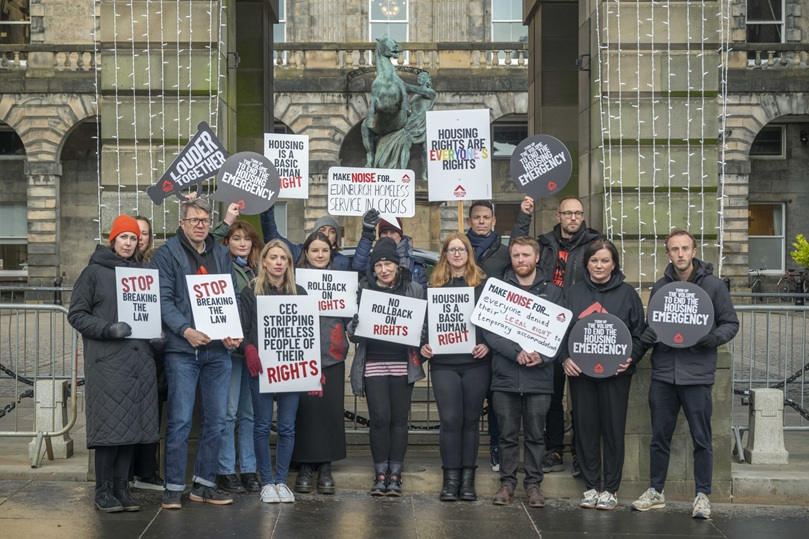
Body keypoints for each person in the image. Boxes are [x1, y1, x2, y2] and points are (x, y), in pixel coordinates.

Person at [631, 229, 739, 520]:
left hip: (697, 374)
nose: (680, 254)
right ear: (668, 253)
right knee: (659, 438)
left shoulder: (714, 286)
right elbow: (652, 324)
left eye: (685, 248)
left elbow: (731, 323)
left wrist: (712, 337)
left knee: (702, 438)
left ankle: (702, 495)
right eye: (674, 249)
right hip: (665, 374)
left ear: (694, 251)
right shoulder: (660, 287)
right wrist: (650, 334)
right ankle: (656, 491)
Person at [150, 197, 242, 509]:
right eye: (194, 220)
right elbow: (162, 300)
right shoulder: (166, 254)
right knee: (179, 421)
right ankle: (173, 487)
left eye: (204, 220)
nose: (200, 225)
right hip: (182, 350)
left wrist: (232, 331)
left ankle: (204, 484)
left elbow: (228, 295)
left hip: (217, 351)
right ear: (182, 223)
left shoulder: (220, 253)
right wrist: (185, 329)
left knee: (216, 420)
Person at [68, 215, 159, 512]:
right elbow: (77, 315)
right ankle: (102, 490)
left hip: (138, 363)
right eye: (123, 238)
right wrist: (108, 329)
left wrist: (156, 333)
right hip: (108, 362)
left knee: (130, 428)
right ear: (113, 240)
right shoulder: (93, 273)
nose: (128, 243)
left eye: (133, 238)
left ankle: (122, 488)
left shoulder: (141, 273)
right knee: (109, 431)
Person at [562, 238, 646, 510]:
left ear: (614, 263)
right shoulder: (573, 293)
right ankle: (590, 487)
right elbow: (559, 332)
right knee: (585, 429)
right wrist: (565, 359)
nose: (599, 265)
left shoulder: (628, 294)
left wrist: (632, 357)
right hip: (581, 374)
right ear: (587, 263)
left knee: (612, 430)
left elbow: (640, 333)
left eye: (605, 260)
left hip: (616, 375)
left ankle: (610, 488)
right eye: (594, 260)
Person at [484, 236, 564, 509]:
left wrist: (542, 356)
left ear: (537, 258)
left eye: (526, 255)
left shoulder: (553, 293)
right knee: (506, 435)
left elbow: (561, 334)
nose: (521, 260)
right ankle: (507, 484)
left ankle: (533, 485)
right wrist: (515, 352)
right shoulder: (498, 290)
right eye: (516, 255)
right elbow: (489, 331)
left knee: (535, 435)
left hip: (539, 377)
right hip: (505, 374)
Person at [348, 236, 426, 497]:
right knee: (380, 419)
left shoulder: (414, 289)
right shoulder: (363, 289)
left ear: (397, 265)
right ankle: (380, 473)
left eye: (388, 264)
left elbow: (423, 326)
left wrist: (423, 342)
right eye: (378, 265)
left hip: (403, 364)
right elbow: (353, 333)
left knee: (398, 420)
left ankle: (396, 473)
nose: (383, 269)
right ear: (373, 268)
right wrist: (355, 324)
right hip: (373, 363)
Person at [465, 197, 533, 472]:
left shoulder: (504, 252)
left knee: (496, 400)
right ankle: (465, 452)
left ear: (493, 222)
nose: (481, 222)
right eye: (476, 218)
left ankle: (496, 446)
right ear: (469, 221)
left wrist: (524, 215)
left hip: (494, 331)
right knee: (468, 401)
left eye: (486, 218)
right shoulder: (460, 247)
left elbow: (519, 243)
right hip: (462, 331)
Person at [420, 233, 489, 502]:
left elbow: (492, 324)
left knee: (470, 423)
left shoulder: (482, 287)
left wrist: (487, 346)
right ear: (445, 254)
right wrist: (423, 346)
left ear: (469, 254)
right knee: (450, 422)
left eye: (462, 249)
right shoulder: (434, 287)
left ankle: (467, 481)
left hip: (475, 364)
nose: (457, 254)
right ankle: (450, 480)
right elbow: (423, 326)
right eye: (452, 249)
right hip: (444, 364)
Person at [536, 196, 599, 476]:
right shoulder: (544, 244)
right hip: (549, 327)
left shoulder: (593, 244)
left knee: (583, 396)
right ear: (558, 216)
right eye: (568, 213)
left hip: (581, 325)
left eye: (578, 213)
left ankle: (581, 454)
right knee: (551, 395)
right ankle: (555, 449)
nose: (573, 218)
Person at [240, 239, 307, 504]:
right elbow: (243, 330)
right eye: (274, 257)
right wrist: (249, 349)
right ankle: (266, 482)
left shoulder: (299, 293)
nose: (278, 262)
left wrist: (312, 366)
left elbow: (306, 333)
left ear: (289, 263)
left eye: (284, 258)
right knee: (262, 425)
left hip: (291, 369)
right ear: (264, 261)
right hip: (261, 369)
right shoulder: (250, 292)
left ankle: (281, 481)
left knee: (288, 427)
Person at [291, 231, 349, 495]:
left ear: (331, 253)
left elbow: (352, 321)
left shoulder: (341, 282)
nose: (319, 255)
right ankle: (304, 466)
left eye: (324, 251)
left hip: (333, 356)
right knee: (303, 412)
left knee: (329, 413)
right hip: (301, 356)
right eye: (314, 250)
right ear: (306, 253)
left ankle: (325, 467)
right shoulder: (294, 282)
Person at [209, 204, 262, 494]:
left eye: (246, 239)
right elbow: (210, 241)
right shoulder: (221, 263)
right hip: (229, 350)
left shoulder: (258, 270)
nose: (242, 243)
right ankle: (225, 470)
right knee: (228, 413)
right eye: (236, 238)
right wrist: (227, 220)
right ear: (227, 243)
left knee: (249, 413)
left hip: (252, 351)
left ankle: (249, 469)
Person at [129, 215, 166, 491]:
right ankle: (127, 471)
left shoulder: (156, 265)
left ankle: (148, 469)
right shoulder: (115, 266)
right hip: (127, 350)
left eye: (143, 234)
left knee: (153, 411)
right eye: (133, 233)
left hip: (155, 351)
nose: (139, 238)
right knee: (128, 412)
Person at [260, 205, 350, 270]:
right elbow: (273, 239)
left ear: (336, 238)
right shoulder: (298, 253)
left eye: (332, 231)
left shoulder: (343, 262)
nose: (326, 234)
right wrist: (267, 210)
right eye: (322, 230)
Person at [352, 212, 429, 288]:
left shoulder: (415, 266)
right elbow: (358, 267)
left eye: (393, 232)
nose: (388, 236)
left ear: (400, 236)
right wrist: (367, 234)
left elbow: (422, 295)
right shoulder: (372, 260)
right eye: (384, 232)